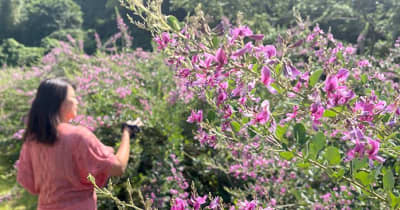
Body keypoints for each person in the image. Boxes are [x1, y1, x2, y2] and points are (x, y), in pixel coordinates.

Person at [15, 78, 143, 210]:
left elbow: (29, 184)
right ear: (60, 103)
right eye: (73, 97)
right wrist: (127, 133)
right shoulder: (78, 136)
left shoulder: (32, 141)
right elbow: (118, 167)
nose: (77, 101)